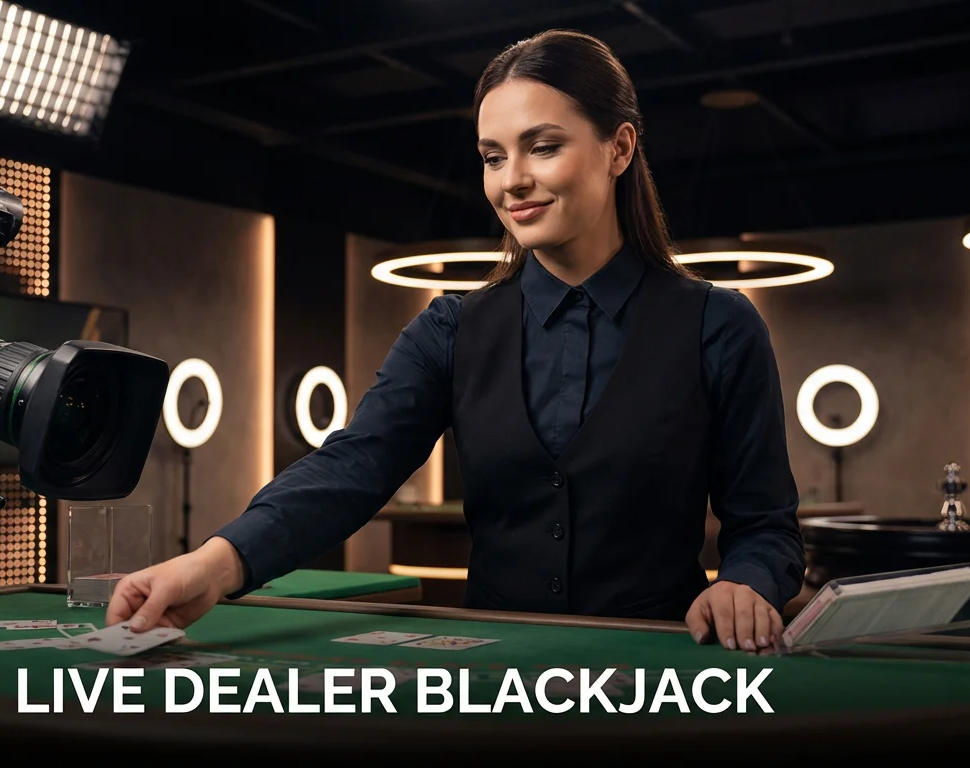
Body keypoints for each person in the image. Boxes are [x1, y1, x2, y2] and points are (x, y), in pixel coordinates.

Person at [107, 29, 805, 653]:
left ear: (619, 148)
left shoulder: (720, 323)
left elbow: (767, 527)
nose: (513, 182)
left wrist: (743, 583)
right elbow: (352, 469)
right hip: (489, 668)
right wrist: (216, 562)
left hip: (660, 665)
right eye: (492, 157)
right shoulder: (449, 327)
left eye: (544, 146)